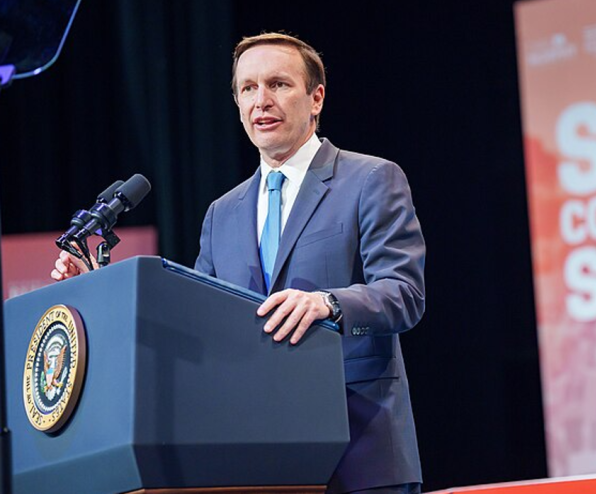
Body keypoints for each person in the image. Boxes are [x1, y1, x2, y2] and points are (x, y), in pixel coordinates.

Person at [52, 32, 426, 494]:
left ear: (316, 98)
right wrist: (100, 291)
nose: (261, 101)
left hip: (359, 451)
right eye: (247, 88)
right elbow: (192, 320)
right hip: (256, 462)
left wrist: (328, 303)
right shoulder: (222, 213)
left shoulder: (370, 179)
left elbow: (404, 294)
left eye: (278, 84)